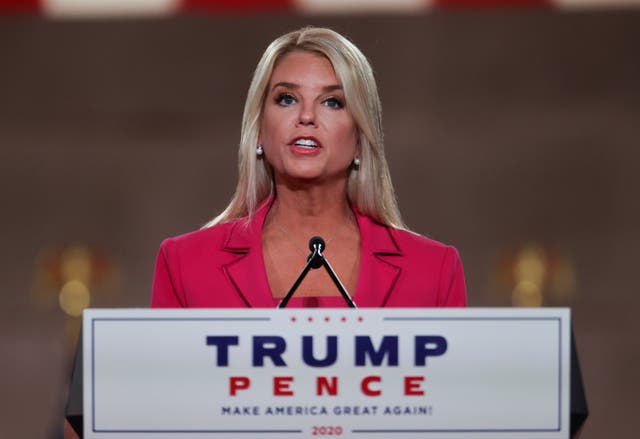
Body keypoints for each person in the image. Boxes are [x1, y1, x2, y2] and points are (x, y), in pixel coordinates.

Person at [151, 27, 466, 309]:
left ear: (360, 137)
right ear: (259, 129)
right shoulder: (184, 266)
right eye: (287, 98)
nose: (306, 116)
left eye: (332, 102)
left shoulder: (434, 272)